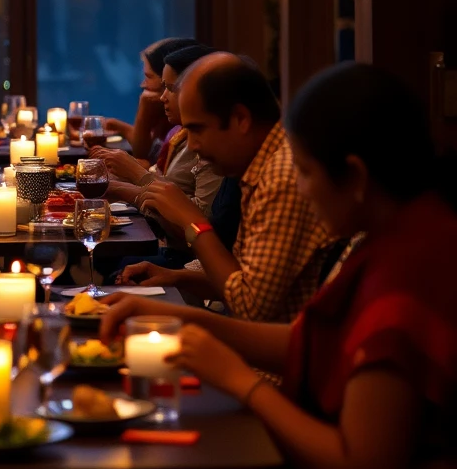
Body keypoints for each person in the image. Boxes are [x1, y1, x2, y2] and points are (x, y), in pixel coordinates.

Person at [100, 63, 457, 469]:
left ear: (356, 176)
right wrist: (180, 321)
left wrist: (237, 379)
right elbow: (309, 342)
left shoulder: (411, 274)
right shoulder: (399, 236)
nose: (301, 190)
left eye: (306, 172)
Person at [119, 53, 333, 322]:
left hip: (266, 361)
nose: (193, 146)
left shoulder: (281, 176)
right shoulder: (260, 165)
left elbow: (250, 307)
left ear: (241, 119)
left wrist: (193, 222)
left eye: (197, 130)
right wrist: (179, 278)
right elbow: (246, 281)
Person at [95, 44, 221, 214]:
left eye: (170, 88)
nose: (162, 96)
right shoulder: (177, 131)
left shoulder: (211, 142)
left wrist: (133, 178)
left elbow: (201, 220)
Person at [104, 37, 196, 159]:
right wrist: (119, 126)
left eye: (149, 77)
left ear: (167, 77)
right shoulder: (163, 114)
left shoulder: (182, 124)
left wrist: (143, 110)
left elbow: (142, 155)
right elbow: (151, 150)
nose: (143, 84)